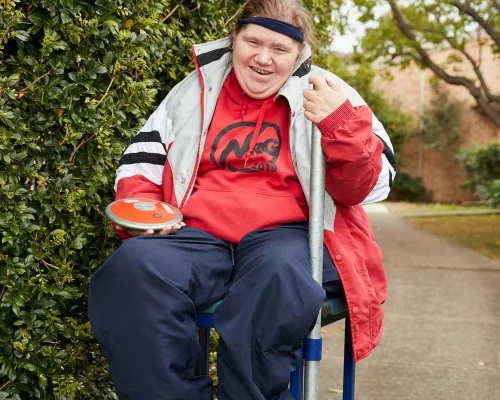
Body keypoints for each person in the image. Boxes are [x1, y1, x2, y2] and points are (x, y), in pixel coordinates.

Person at [88, 0, 396, 399]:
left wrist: (339, 125)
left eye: (280, 49)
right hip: (197, 234)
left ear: (299, 53)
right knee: (132, 270)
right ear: (235, 39)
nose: (263, 59)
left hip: (290, 236)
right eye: (253, 42)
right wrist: (148, 214)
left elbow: (368, 187)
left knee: (277, 275)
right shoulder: (192, 91)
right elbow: (141, 167)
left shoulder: (332, 94)